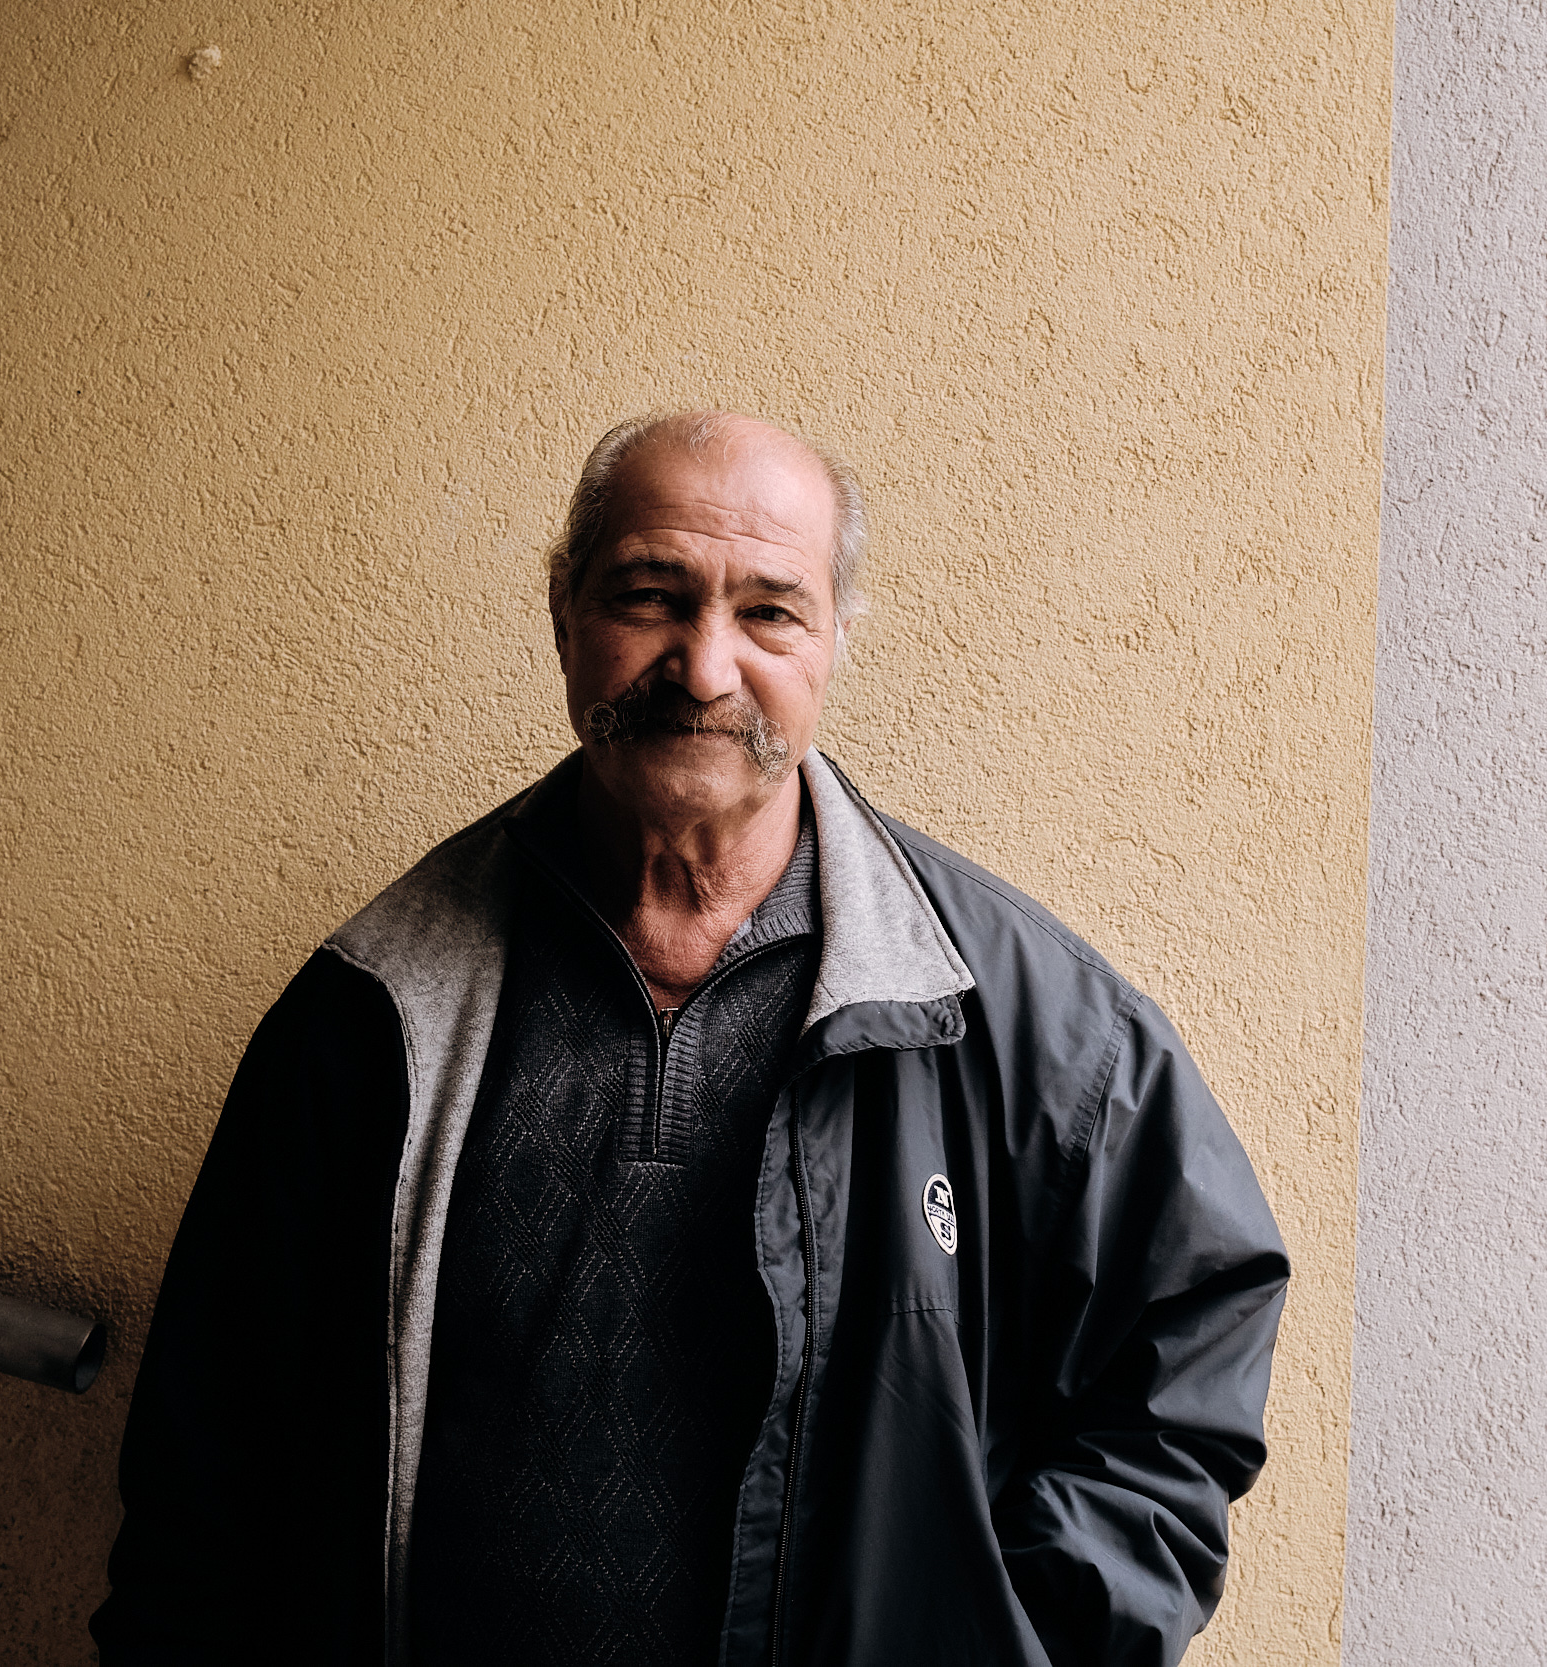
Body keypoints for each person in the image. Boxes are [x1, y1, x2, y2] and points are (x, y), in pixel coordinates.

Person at [90, 410, 1290, 1667]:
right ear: (564, 613)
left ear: (834, 639)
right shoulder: (370, 1013)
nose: (704, 668)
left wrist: (1013, 1639)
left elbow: (1187, 1352)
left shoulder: (1035, 1024)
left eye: (769, 611)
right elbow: (202, 1485)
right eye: (650, 597)